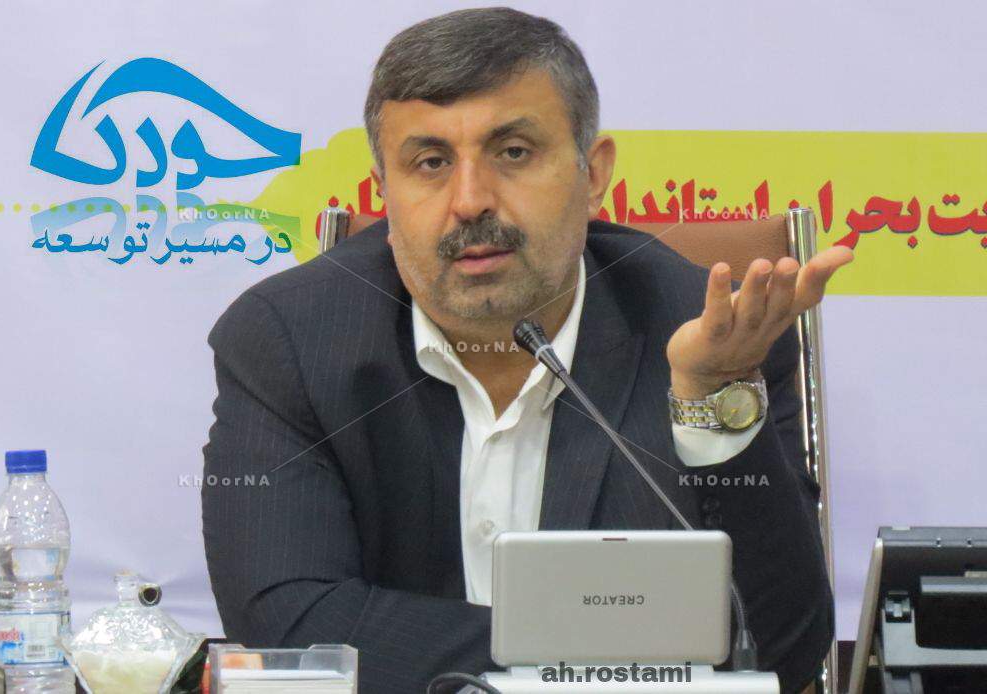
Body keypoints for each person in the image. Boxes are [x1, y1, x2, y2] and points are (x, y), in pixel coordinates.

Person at [202, 7, 850, 693]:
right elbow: (291, 624)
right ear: (383, 191)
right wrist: (619, 652)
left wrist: (714, 403)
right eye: (430, 163)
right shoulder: (287, 340)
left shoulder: (708, 338)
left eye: (513, 152)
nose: (471, 201)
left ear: (592, 174)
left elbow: (778, 648)